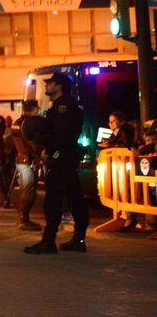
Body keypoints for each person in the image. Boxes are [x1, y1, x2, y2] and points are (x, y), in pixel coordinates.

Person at [25, 72, 90, 254]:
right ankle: (79, 239)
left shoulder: (63, 107)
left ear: (59, 86)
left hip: (61, 156)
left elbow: (61, 134)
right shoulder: (64, 106)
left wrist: (48, 150)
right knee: (74, 197)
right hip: (67, 156)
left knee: (53, 199)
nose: (47, 86)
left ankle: (49, 240)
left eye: (50, 83)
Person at [9, 99, 43, 231]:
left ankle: (23, 219)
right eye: (37, 109)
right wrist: (36, 155)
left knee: (27, 191)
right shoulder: (29, 123)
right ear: (34, 109)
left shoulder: (17, 123)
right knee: (29, 191)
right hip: (27, 161)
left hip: (22, 160)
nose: (38, 111)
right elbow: (30, 144)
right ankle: (23, 220)